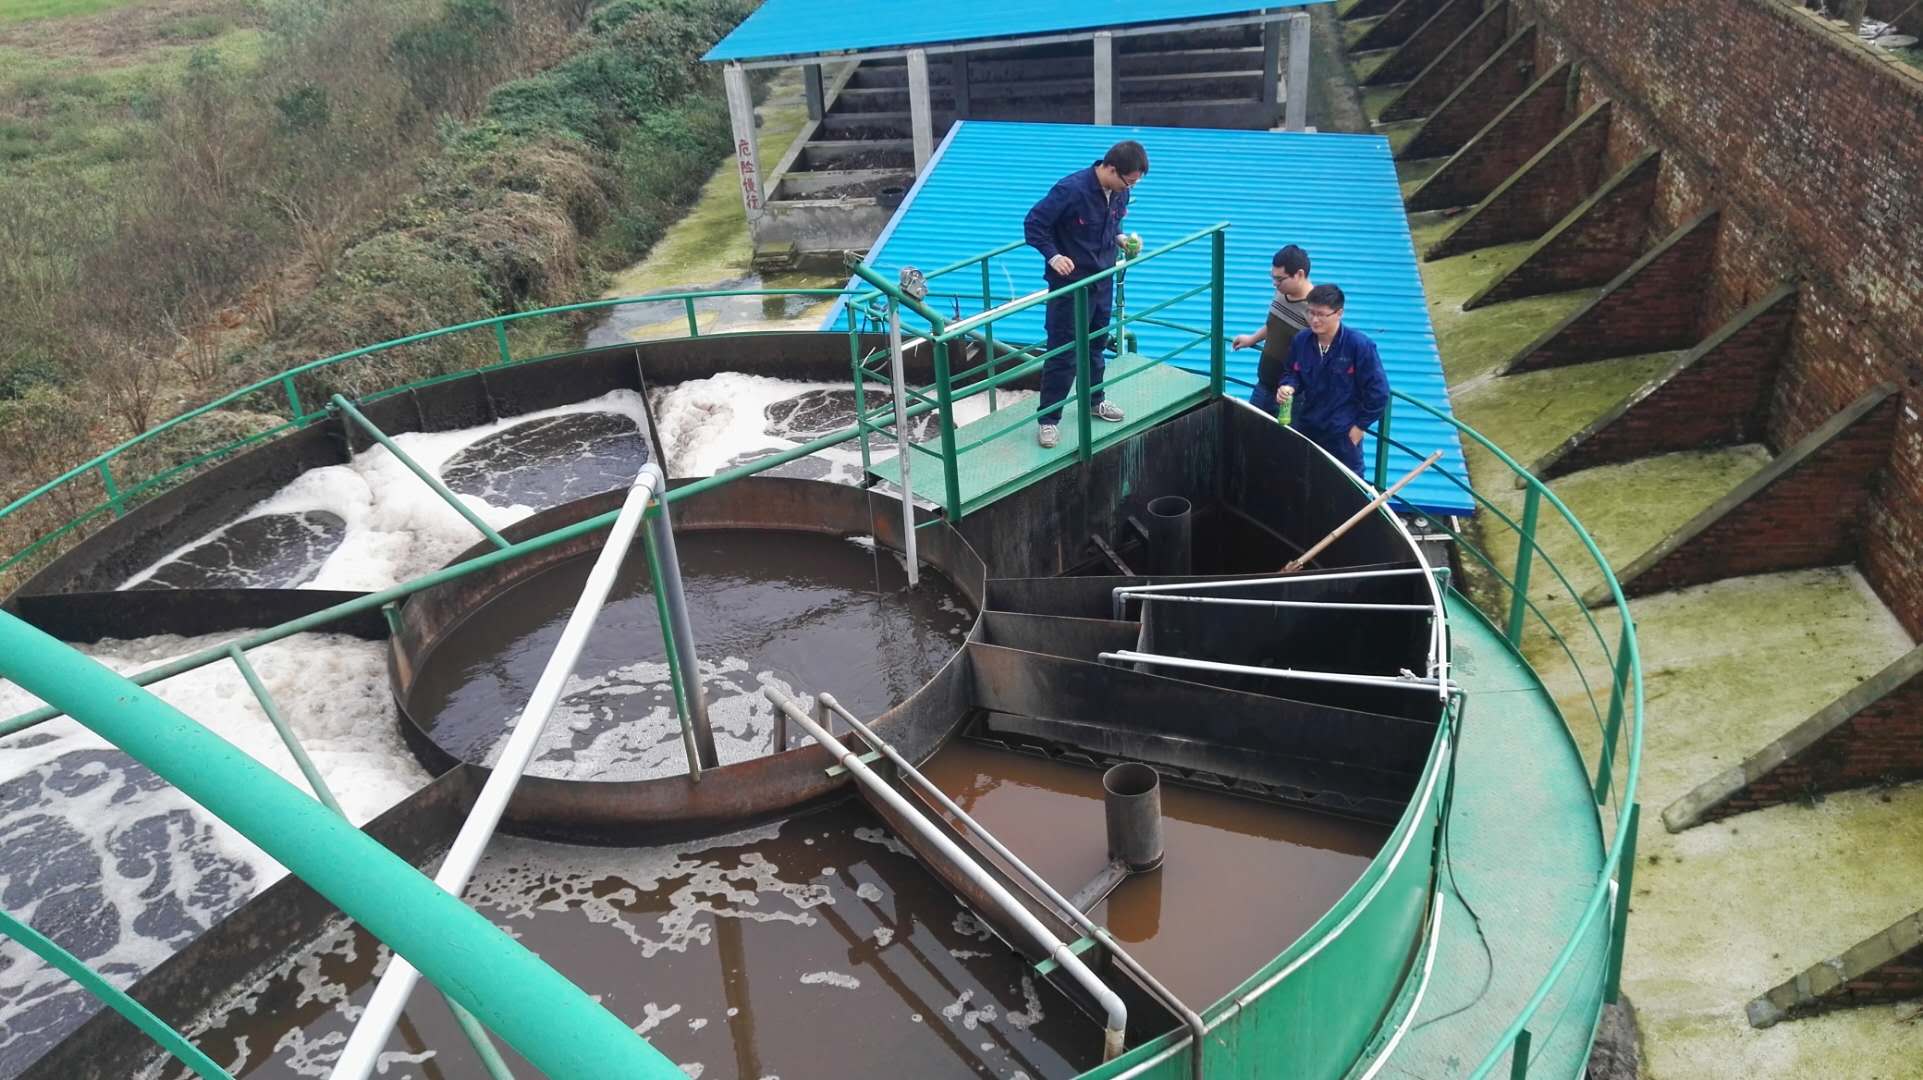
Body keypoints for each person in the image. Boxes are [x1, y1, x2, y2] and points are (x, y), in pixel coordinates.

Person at [1022, 140, 1148, 449]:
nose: (1128, 188)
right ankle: (1049, 420)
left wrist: (1122, 239)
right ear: (1110, 169)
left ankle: (1095, 400)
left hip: (1102, 282)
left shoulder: (1120, 192)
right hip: (1070, 289)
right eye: (1127, 181)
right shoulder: (1071, 190)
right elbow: (1034, 224)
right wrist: (1053, 256)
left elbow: (1113, 223)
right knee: (1063, 354)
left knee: (1095, 346)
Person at [1274, 284, 1389, 475]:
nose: (1314, 319)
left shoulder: (1359, 345)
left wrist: (1360, 427)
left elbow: (1379, 391)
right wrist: (1288, 386)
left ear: (1339, 313)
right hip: (1309, 427)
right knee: (1306, 479)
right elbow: (1291, 372)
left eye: (1321, 314)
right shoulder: (1301, 341)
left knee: (1349, 486)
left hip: (1343, 435)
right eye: (1310, 312)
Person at [1232, 244, 1315, 413]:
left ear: (1299, 274)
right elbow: (1275, 324)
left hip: (1289, 396)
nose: (1275, 284)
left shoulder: (1315, 310)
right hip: (1264, 383)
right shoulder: (1281, 293)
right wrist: (1252, 339)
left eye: (1280, 279)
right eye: (1273, 277)